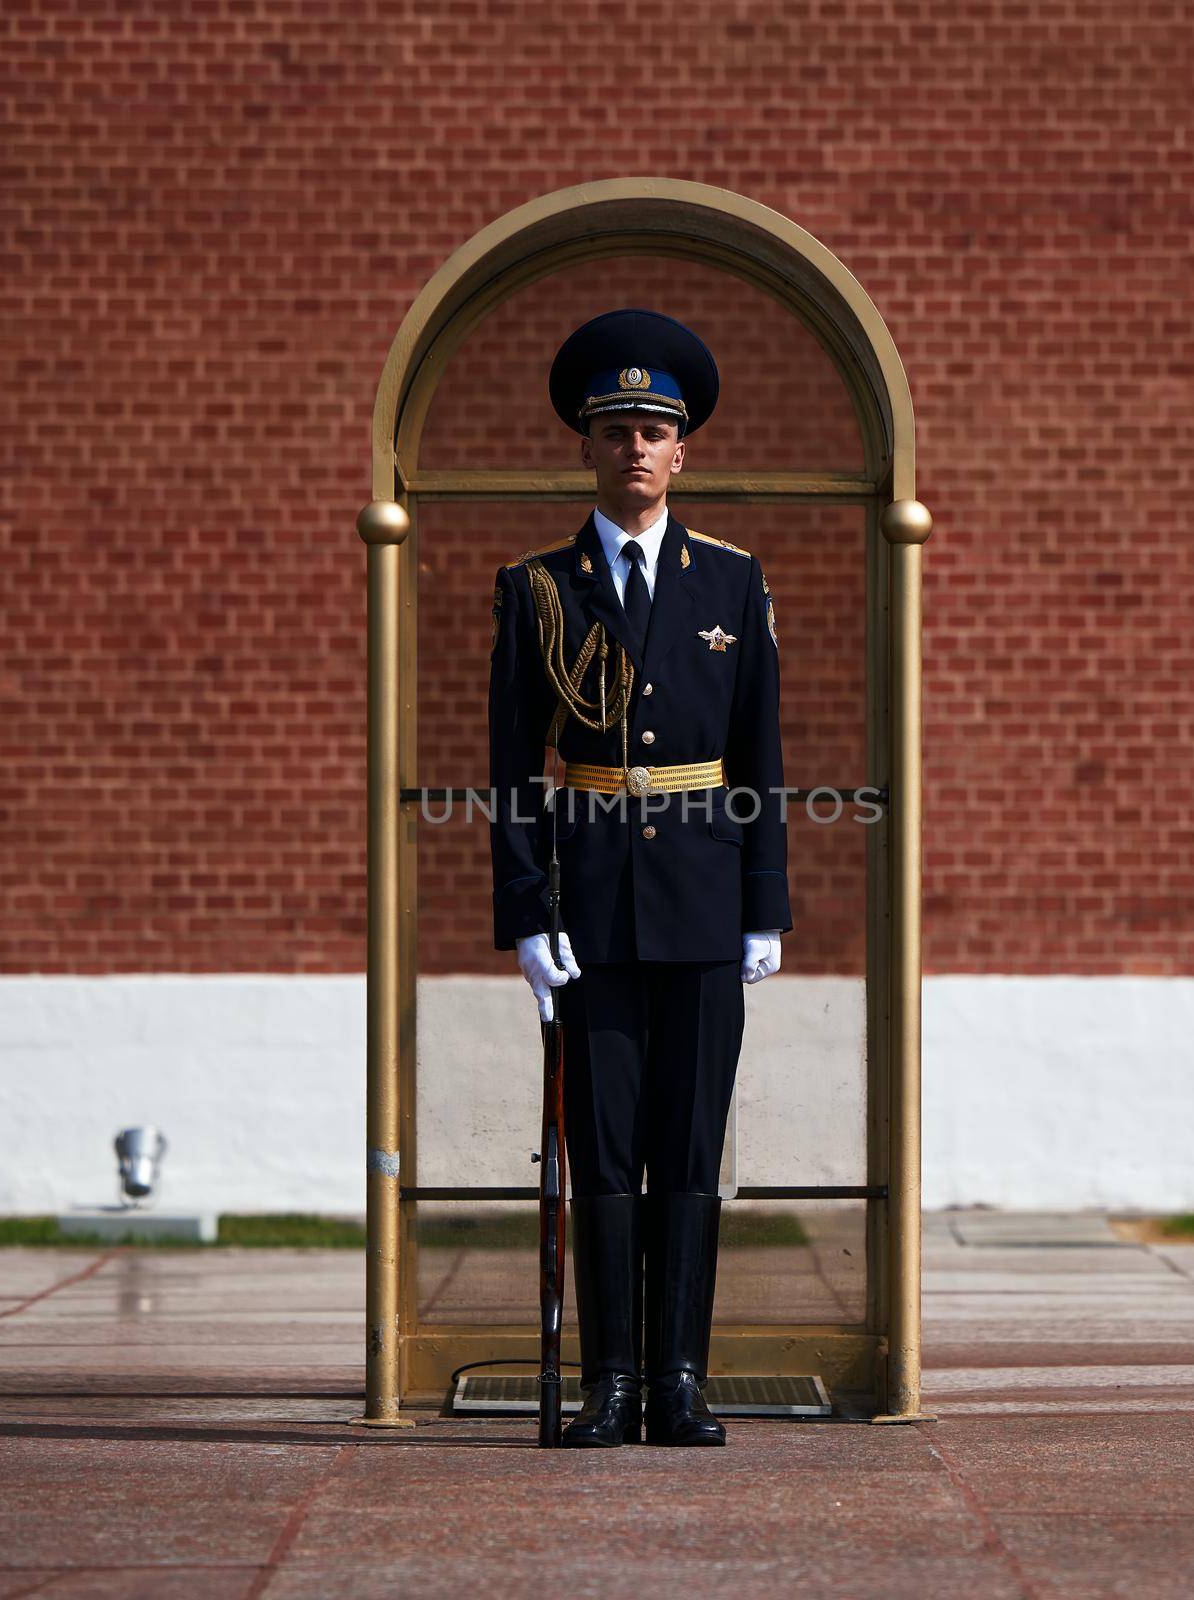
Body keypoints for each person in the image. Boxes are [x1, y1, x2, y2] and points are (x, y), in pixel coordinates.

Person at [487, 308, 790, 1448]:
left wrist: (766, 905)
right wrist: (526, 914)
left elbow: (760, 753)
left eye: (654, 428)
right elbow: (512, 769)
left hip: (707, 903)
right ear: (585, 443)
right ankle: (611, 1380)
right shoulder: (538, 589)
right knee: (604, 1152)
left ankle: (680, 1380)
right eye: (615, 427)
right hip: (592, 906)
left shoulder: (731, 581)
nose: (635, 447)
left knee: (689, 1147)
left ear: (682, 451)